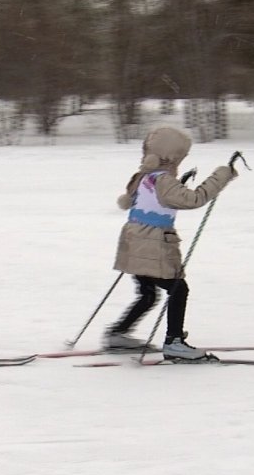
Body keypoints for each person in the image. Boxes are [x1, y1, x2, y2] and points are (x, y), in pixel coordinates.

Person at [102, 125, 238, 360]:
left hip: (133, 242)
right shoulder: (164, 180)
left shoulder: (144, 176)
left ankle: (118, 334)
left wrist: (179, 183)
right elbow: (194, 199)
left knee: (148, 293)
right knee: (178, 289)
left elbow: (153, 199)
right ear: (172, 156)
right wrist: (222, 175)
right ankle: (174, 342)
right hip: (153, 244)